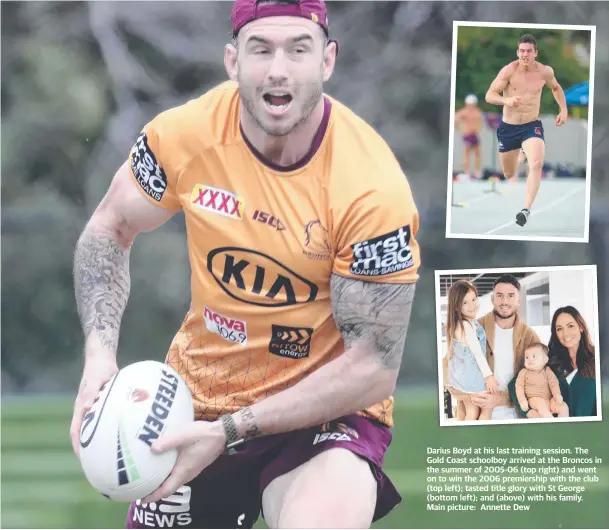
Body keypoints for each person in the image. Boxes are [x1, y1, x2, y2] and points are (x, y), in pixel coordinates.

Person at [69, 0, 421, 528]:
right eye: (261, 49)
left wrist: (233, 430)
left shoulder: (372, 188)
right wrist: (99, 356)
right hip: (199, 400)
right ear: (233, 62)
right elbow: (109, 227)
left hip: (323, 413)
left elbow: (372, 368)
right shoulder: (183, 136)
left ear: (327, 61)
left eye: (298, 49)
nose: (278, 68)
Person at [485, 34, 568, 227]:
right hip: (509, 128)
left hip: (531, 125)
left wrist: (563, 109)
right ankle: (520, 154)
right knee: (509, 173)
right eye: (522, 51)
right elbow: (490, 94)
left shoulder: (545, 72)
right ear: (517, 52)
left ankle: (525, 210)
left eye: (529, 51)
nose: (525, 55)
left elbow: (556, 88)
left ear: (535, 53)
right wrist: (506, 101)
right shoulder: (508, 71)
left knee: (537, 163)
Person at [447, 274, 540, 421]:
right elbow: (449, 368)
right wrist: (467, 394)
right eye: (499, 295)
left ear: (519, 300)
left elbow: (537, 384)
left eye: (511, 296)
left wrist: (502, 399)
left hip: (515, 420)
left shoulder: (530, 337)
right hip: (478, 418)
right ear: (492, 299)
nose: (505, 301)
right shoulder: (476, 327)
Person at [444, 280, 498, 421]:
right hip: (471, 378)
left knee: (465, 410)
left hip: (458, 378)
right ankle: (473, 439)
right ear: (456, 307)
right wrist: (489, 376)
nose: (472, 305)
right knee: (477, 411)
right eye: (465, 303)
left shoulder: (456, 325)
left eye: (473, 299)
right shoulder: (467, 326)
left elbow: (451, 354)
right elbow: (477, 353)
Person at [548, 306, 597, 417]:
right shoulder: (550, 362)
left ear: (581, 327)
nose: (565, 334)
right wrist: (530, 412)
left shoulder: (599, 359)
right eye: (559, 329)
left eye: (570, 326)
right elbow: (515, 384)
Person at [515, 343, 568, 418]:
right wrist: (522, 401)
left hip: (548, 400)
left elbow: (554, 384)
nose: (530, 359)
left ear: (545, 359)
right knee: (540, 403)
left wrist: (557, 395)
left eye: (534, 356)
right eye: (527, 357)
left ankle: (563, 425)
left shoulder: (547, 371)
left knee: (563, 406)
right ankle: (551, 423)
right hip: (533, 400)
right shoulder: (524, 372)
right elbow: (518, 386)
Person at [454, 94, 483, 179]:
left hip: (475, 135)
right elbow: (456, 119)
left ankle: (477, 172)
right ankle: (466, 172)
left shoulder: (477, 111)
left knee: (477, 153)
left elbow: (480, 122)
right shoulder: (464, 112)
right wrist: (460, 129)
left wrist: (478, 131)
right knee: (467, 153)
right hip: (467, 134)